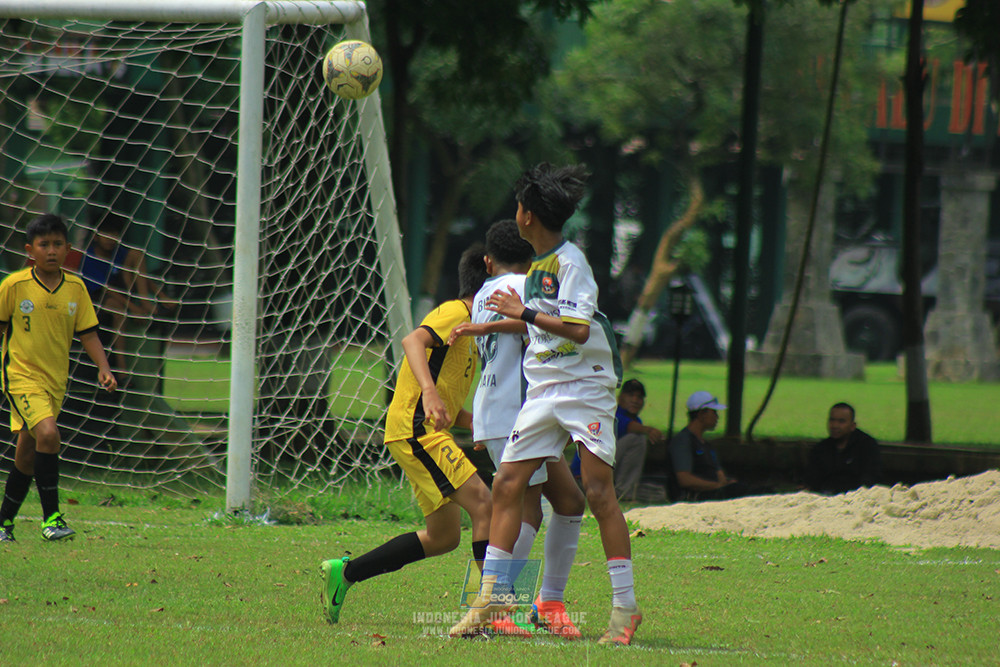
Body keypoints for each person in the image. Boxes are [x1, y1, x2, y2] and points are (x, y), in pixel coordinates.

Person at [449, 163, 641, 646]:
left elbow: (576, 329)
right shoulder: (535, 266)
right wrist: (489, 326)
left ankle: (625, 608)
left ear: (528, 216)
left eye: (518, 206)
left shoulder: (571, 263)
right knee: (508, 484)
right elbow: (537, 323)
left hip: (585, 389)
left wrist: (523, 311)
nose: (515, 213)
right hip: (544, 391)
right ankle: (491, 599)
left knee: (597, 494)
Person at [319, 244, 494, 624]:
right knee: (485, 505)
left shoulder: (472, 334)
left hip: (422, 431)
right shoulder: (456, 312)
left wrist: (481, 424)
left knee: (444, 537)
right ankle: (492, 609)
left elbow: (449, 407)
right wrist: (429, 392)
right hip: (417, 431)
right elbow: (412, 340)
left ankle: (345, 573)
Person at [449, 219, 586, 639]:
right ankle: (500, 604)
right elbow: (538, 322)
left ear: (488, 261)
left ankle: (543, 602)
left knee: (568, 501)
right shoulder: (525, 288)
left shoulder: (483, 292)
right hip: (516, 416)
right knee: (528, 509)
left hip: (496, 412)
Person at [0, 213, 118, 542]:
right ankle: (51, 518)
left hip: (55, 382)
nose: (51, 251)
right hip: (20, 376)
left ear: (68, 249)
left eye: (57, 244)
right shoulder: (14, 286)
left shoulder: (76, 289)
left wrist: (104, 368)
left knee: (27, 454)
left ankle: (3, 522)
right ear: (30, 250)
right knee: (49, 434)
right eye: (43, 245)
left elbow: (89, 334)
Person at [78, 214, 176, 370]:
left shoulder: (119, 252)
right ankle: (121, 369)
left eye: (115, 234)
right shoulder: (89, 257)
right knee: (117, 310)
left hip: (124, 292)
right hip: (99, 298)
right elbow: (105, 289)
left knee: (135, 255)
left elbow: (140, 274)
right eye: (106, 234)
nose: (111, 238)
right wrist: (133, 308)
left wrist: (161, 295)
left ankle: (147, 304)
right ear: (96, 236)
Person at [669, 391, 770, 501]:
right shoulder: (683, 441)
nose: (717, 417)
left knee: (762, 491)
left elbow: (719, 474)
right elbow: (684, 479)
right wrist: (718, 486)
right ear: (701, 414)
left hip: (715, 491)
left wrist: (726, 482)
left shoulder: (706, 445)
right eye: (714, 412)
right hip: (698, 496)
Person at [805, 402, 881, 494]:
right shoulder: (820, 449)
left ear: (852, 426)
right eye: (832, 420)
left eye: (841, 421)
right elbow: (813, 481)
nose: (835, 426)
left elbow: (870, 477)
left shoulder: (867, 446)